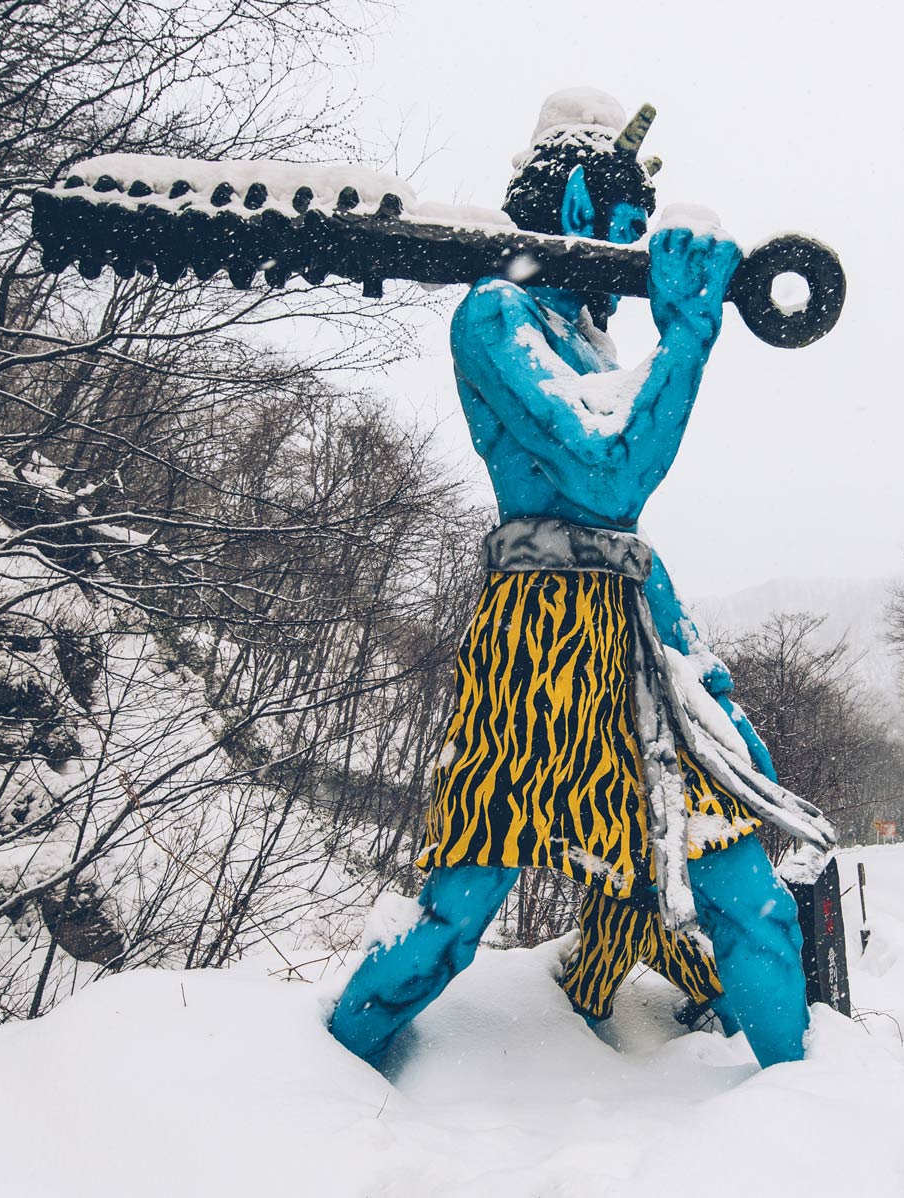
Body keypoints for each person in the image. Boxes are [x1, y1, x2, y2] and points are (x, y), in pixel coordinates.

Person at [326, 89, 835, 1071]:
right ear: (570, 207)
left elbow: (626, 540)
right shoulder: (495, 315)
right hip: (536, 646)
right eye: (624, 228)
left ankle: (805, 1106)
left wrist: (710, 683)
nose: (634, 252)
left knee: (749, 896)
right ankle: (319, 1080)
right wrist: (685, 340)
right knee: (452, 918)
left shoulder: (595, 345)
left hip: (628, 641)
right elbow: (608, 476)